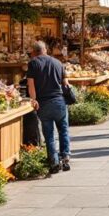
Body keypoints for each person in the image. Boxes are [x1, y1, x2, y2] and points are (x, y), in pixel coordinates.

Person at [25, 41, 71, 173]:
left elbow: (30, 85)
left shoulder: (33, 63)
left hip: (43, 103)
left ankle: (54, 161)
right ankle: (66, 157)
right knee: (63, 130)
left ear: (34, 52)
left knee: (49, 134)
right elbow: (66, 84)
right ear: (45, 50)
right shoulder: (57, 62)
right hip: (59, 101)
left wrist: (33, 100)